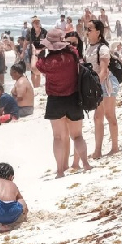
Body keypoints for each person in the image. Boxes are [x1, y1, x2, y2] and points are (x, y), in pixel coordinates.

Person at [36, 29, 91, 178]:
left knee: (58, 137)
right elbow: (76, 54)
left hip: (55, 100)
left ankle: (60, 171)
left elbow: (36, 68)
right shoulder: (72, 55)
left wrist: (39, 53)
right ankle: (85, 164)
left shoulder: (46, 62)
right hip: (73, 97)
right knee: (78, 136)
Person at [85, 19, 119, 159]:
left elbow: (104, 71)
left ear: (98, 32)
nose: (86, 32)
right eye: (86, 29)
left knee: (109, 115)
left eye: (89, 29)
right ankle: (98, 150)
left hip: (106, 85)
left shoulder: (103, 48)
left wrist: (95, 86)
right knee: (97, 117)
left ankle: (114, 147)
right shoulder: (89, 47)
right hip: (96, 85)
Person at [25, 17, 46, 88]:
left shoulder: (44, 32)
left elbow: (48, 44)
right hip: (32, 52)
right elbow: (26, 42)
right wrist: (23, 52)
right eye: (35, 23)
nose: (37, 24)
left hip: (41, 52)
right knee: (32, 71)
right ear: (32, 24)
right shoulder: (30, 31)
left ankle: (37, 86)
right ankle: (35, 87)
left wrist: (41, 49)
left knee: (38, 69)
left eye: (38, 22)